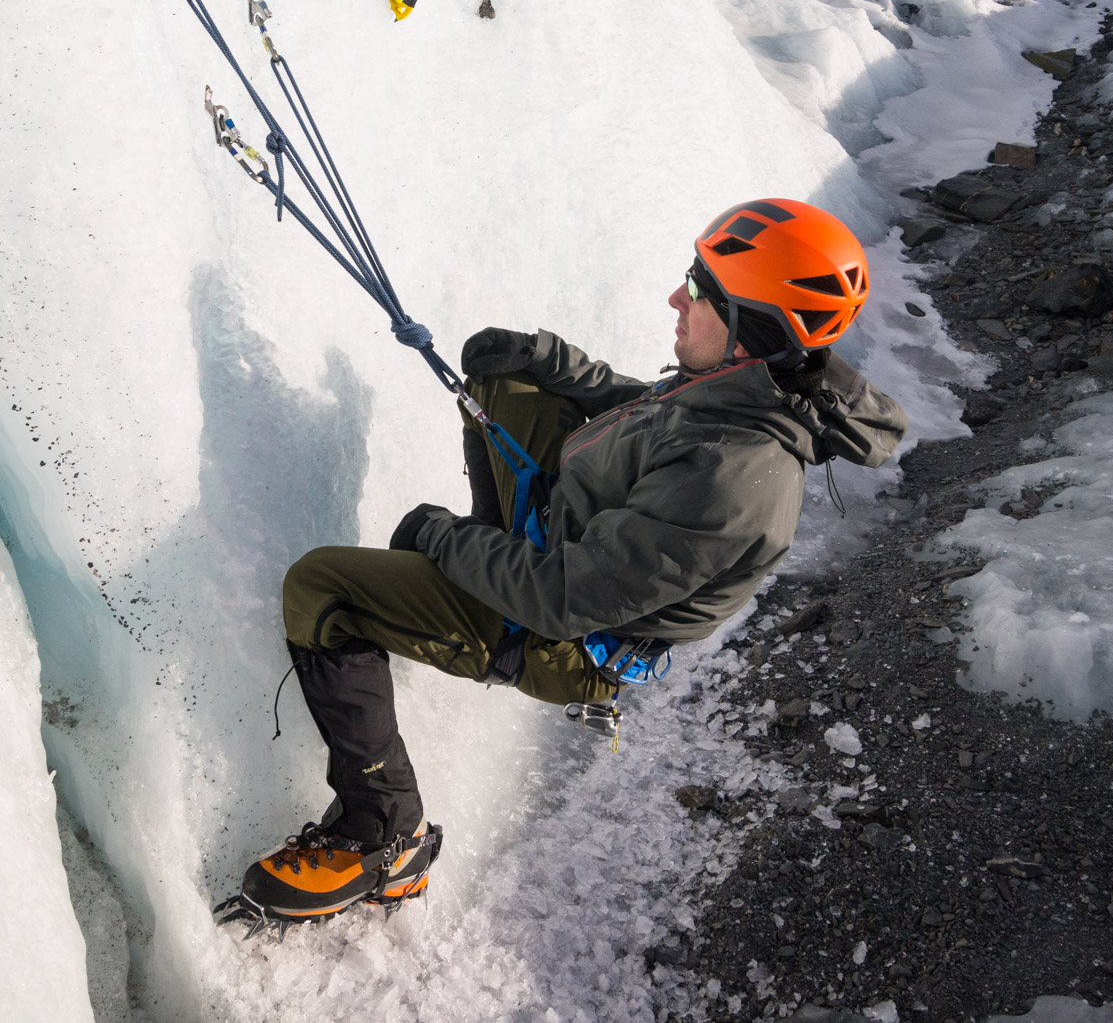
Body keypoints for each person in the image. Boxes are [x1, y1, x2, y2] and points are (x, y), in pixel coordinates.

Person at [229, 199, 908, 925]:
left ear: (753, 330)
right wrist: (553, 364)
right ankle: (480, 569)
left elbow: (559, 600)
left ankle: (384, 835)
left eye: (700, 291)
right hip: (567, 545)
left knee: (320, 586)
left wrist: (439, 538)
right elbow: (650, 415)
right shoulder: (749, 385)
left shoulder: (730, 481)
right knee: (508, 381)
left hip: (560, 636)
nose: (676, 299)